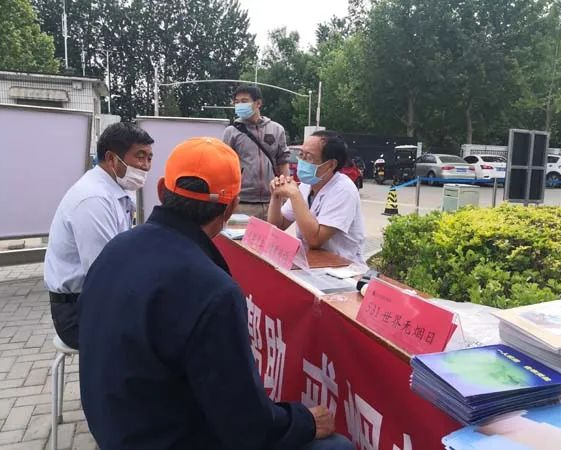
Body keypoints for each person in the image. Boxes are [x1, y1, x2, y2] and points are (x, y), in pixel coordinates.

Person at [77, 137, 354, 450]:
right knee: (336, 446)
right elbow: (248, 428)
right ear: (231, 207)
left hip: (115, 426)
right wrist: (305, 421)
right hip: (168, 437)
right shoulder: (212, 290)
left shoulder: (116, 248)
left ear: (162, 190)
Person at [44, 122, 154, 349]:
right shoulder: (93, 200)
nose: (145, 166)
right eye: (140, 156)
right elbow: (106, 274)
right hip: (77, 312)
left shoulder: (115, 192)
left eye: (149, 158)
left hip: (96, 298)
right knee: (161, 337)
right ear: (112, 158)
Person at [267, 130, 366, 265]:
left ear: (331, 165)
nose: (302, 161)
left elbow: (315, 239)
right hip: (313, 263)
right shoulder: (306, 185)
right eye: (301, 155)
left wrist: (295, 195)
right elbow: (278, 225)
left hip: (341, 267)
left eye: (309, 157)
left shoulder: (344, 190)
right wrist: (276, 195)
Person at [222, 84, 289, 220]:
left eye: (244, 101)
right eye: (237, 102)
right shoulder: (231, 132)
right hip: (242, 203)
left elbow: (283, 161)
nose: (240, 105)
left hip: (273, 201)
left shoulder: (276, 129)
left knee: (274, 234)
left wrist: (286, 194)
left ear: (258, 103)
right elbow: (225, 165)